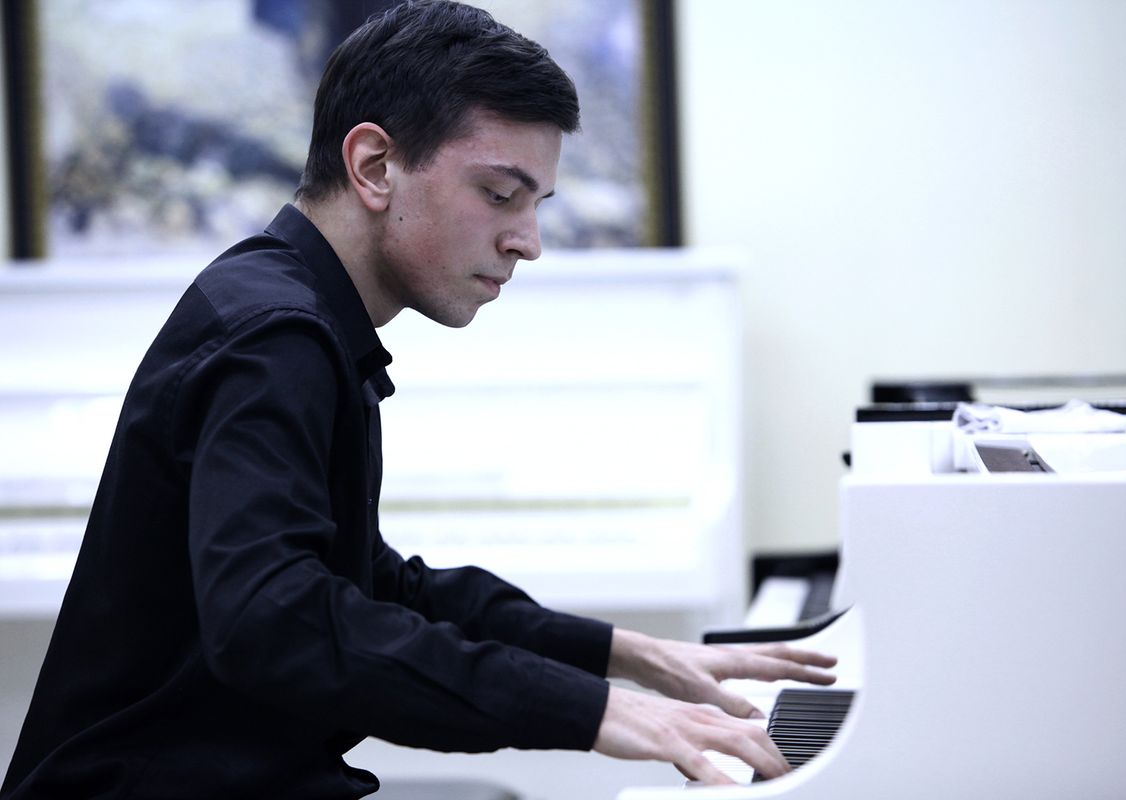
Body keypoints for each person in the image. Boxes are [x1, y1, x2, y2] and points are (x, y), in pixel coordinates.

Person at [0, 2, 836, 797]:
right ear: (374, 167)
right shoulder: (275, 337)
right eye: (500, 195)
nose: (528, 242)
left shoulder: (298, 312)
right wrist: (597, 712)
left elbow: (371, 583)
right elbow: (273, 622)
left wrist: (623, 655)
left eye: (537, 205)